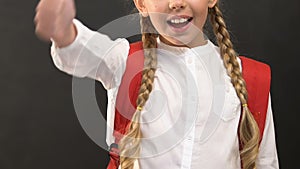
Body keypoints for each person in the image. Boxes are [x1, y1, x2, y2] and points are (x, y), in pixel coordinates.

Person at [34, 0, 279, 168]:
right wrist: (63, 31)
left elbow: (266, 162)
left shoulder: (250, 78)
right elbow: (84, 50)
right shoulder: (123, 61)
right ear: (141, 3)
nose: (176, 2)